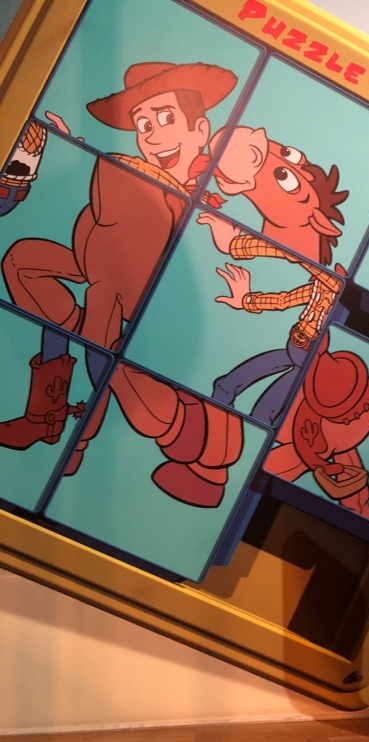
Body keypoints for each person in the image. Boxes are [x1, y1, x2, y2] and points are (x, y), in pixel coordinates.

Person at [0, 61, 243, 507]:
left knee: (100, 325)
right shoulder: (132, 170)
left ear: (200, 130)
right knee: (23, 262)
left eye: (166, 118)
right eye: (143, 124)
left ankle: (77, 437)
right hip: (90, 262)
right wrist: (74, 148)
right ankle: (47, 413)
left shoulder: (205, 198)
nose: (153, 134)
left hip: (128, 290)